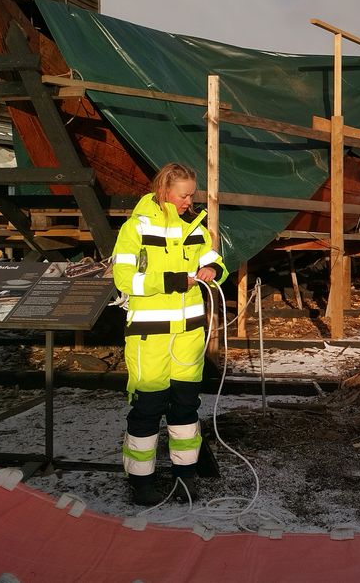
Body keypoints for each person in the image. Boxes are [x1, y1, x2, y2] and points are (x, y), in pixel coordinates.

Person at [111, 162, 228, 506]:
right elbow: (124, 279)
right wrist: (171, 281)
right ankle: (141, 482)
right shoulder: (135, 228)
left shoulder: (196, 227)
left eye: (193, 194)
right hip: (149, 339)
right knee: (147, 410)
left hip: (189, 339)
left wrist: (212, 268)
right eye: (183, 195)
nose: (189, 201)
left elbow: (215, 261)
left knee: (185, 410)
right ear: (164, 191)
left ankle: (185, 478)